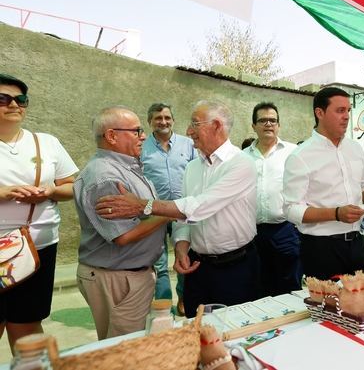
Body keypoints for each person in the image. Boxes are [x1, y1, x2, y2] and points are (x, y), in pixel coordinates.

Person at [95, 100, 260, 318]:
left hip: (236, 267)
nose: (189, 131)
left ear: (217, 125)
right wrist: (181, 247)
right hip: (198, 267)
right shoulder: (193, 167)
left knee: (236, 331)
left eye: (195, 124)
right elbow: (184, 217)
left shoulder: (241, 163)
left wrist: (143, 205)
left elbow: (199, 206)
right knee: (195, 328)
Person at [73, 106, 169, 340]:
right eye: (136, 131)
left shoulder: (125, 167)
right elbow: (124, 236)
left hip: (126, 274)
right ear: (112, 136)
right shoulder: (105, 176)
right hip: (118, 278)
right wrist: (168, 212)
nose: (144, 136)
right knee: (122, 350)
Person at [0, 74, 78, 353]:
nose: (14, 105)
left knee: (28, 323)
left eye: (21, 100)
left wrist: (50, 192)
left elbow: (72, 186)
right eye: (3, 99)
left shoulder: (46, 142)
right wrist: (4, 192)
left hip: (37, 248)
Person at [283, 87, 364, 281]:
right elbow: (291, 210)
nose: (347, 116)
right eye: (340, 110)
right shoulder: (300, 156)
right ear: (319, 113)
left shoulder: (355, 149)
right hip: (321, 248)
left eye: (348, 110)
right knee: (330, 308)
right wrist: (336, 214)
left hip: (357, 243)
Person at [141, 103, 196, 316]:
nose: (163, 122)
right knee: (159, 262)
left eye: (166, 117)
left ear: (173, 120)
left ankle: (184, 298)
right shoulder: (142, 147)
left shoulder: (188, 144)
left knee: (184, 258)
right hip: (154, 212)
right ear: (150, 122)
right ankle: (163, 306)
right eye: (158, 118)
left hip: (183, 212)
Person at [243, 102, 301, 296]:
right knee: (257, 286)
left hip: (286, 231)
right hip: (252, 234)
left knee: (289, 287)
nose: (268, 124)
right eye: (262, 120)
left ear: (278, 125)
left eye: (273, 120)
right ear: (253, 126)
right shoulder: (242, 158)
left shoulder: (293, 152)